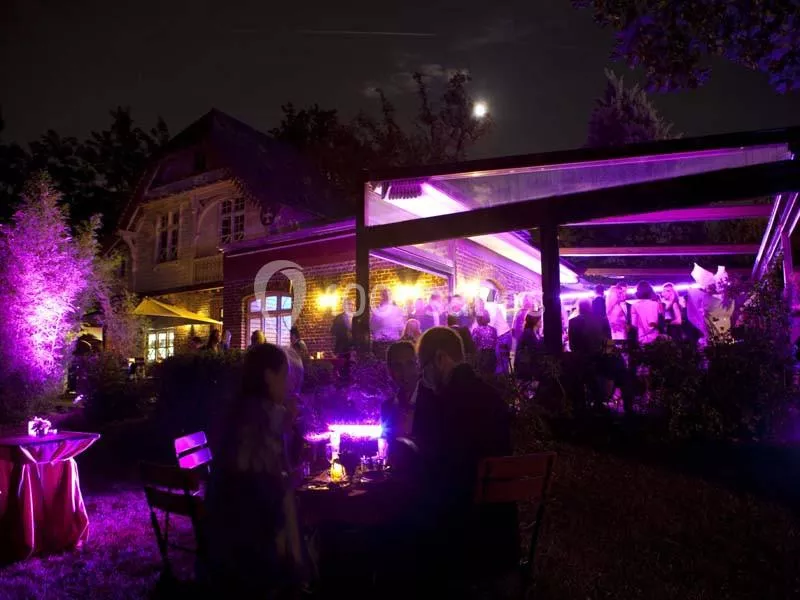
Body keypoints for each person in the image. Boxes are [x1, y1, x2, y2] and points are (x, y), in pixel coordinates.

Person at [412, 327, 516, 589]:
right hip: (502, 532)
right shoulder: (491, 396)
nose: (424, 378)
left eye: (424, 369)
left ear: (440, 359)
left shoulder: (448, 403)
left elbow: (435, 462)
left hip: (463, 535)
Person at [202, 343, 303, 596]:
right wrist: (295, 561)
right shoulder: (268, 418)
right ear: (269, 376)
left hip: (219, 541)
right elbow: (277, 491)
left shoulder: (233, 411)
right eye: (284, 376)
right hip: (253, 548)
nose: (288, 385)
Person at [568, 299, 608, 410]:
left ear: (579, 308)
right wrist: (607, 356)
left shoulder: (573, 321)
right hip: (600, 358)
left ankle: (581, 405)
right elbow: (608, 340)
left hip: (582, 359)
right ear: (590, 307)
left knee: (580, 381)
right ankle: (599, 403)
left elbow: (572, 344)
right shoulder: (601, 320)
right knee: (596, 381)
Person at [381, 341, 419, 443]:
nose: (405, 372)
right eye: (398, 366)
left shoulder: (434, 402)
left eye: (410, 364)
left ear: (418, 366)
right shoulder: (387, 407)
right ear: (389, 370)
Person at [514, 313, 543, 381]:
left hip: (532, 363)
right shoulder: (528, 333)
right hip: (527, 366)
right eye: (540, 320)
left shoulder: (536, 333)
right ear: (535, 321)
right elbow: (534, 348)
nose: (541, 321)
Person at [472, 310, 498, 378]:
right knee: (491, 375)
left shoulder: (476, 330)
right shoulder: (493, 329)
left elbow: (474, 344)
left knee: (482, 375)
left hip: (482, 355)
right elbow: (495, 343)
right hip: (492, 355)